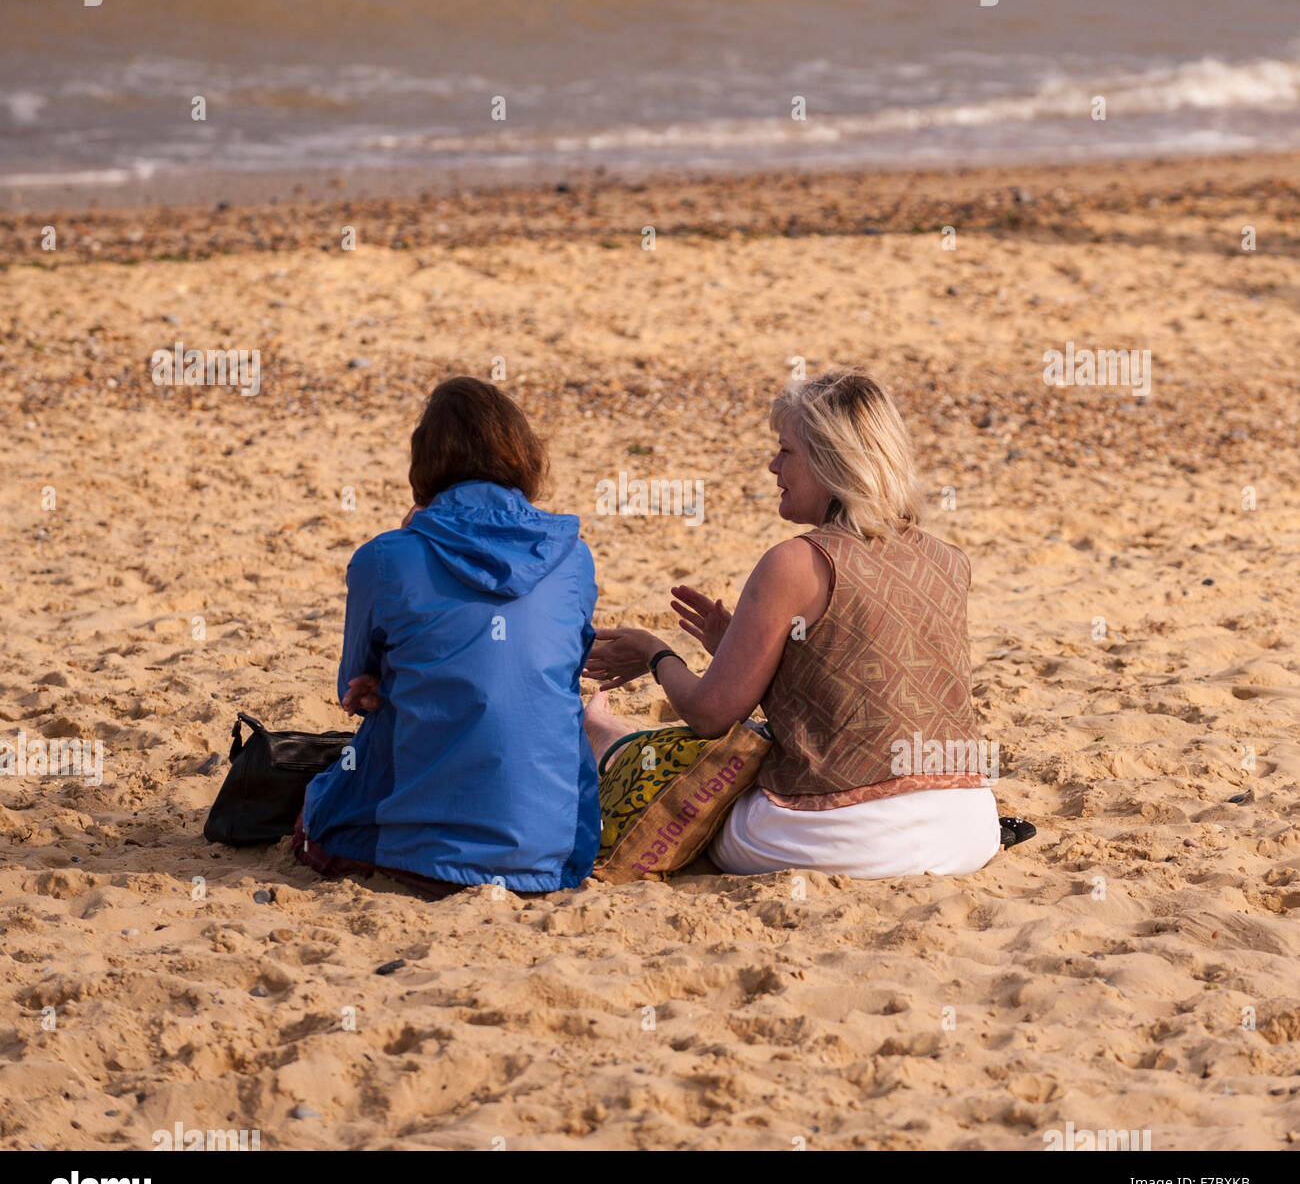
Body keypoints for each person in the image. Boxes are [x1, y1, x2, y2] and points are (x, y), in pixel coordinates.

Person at [583, 368, 1002, 880]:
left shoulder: (796, 562)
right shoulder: (947, 558)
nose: (772, 466)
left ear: (831, 462)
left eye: (786, 451)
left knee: (690, 770)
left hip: (846, 837)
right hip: (968, 827)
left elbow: (710, 715)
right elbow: (868, 685)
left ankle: (605, 739)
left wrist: (655, 654)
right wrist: (733, 646)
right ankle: (609, 736)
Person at [296, 376, 600, 895]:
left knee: (316, 812)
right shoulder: (573, 558)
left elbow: (352, 687)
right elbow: (559, 672)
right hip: (551, 853)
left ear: (426, 461)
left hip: (418, 855)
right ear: (524, 455)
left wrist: (379, 679)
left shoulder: (385, 558)